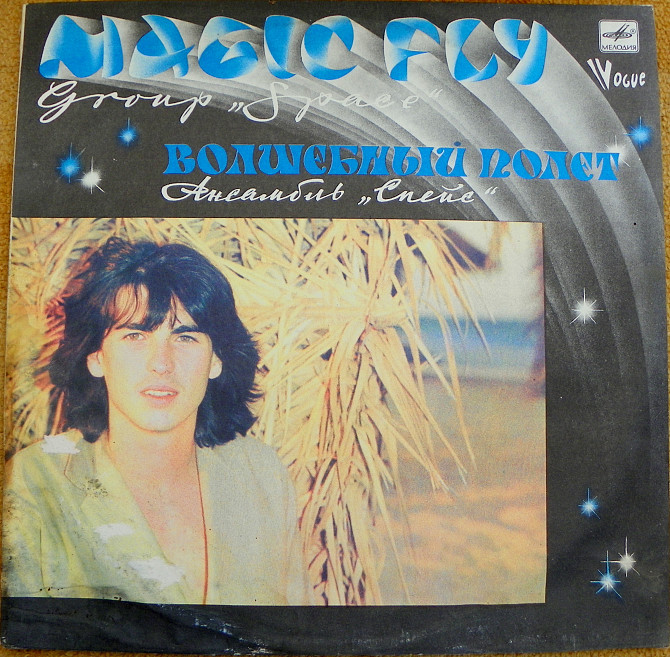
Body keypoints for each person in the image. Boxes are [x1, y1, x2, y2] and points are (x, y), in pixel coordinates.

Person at [2, 237, 312, 605]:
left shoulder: (261, 475)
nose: (161, 363)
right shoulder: (34, 482)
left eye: (186, 338)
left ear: (216, 360)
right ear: (96, 357)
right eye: (135, 335)